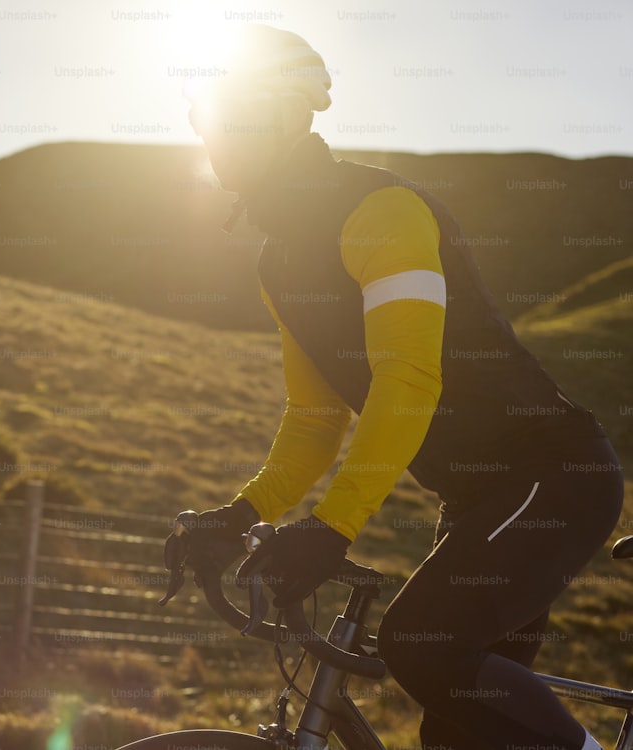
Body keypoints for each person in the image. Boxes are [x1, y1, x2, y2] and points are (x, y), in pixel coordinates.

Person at [174, 24, 625, 750]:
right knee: (454, 735)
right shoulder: (279, 263)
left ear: (289, 117)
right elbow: (314, 416)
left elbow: (409, 375)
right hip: (479, 499)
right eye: (201, 117)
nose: (211, 135)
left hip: (554, 475)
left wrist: (334, 525)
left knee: (419, 645)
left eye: (230, 116)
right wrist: (240, 512)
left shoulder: (380, 212)